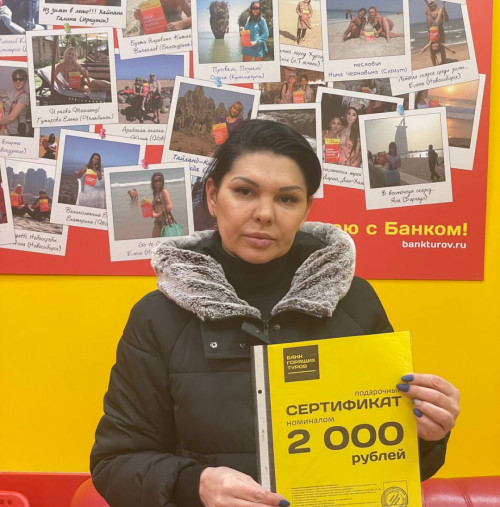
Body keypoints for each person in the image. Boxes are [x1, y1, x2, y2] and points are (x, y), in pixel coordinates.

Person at [90, 119, 459, 507]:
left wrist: (427, 434)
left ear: (306, 209)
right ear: (212, 196)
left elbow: (395, 465)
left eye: (286, 199)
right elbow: (115, 463)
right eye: (244, 191)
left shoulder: (354, 301)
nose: (265, 213)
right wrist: (195, 484)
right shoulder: (158, 317)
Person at [1, 69, 30, 137]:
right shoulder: (12, 92)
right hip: (8, 129)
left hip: (17, 132)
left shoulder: (24, 97)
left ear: (25, 80)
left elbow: (11, 117)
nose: (18, 81)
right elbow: (6, 107)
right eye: (15, 79)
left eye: (20, 79)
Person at [150, 172, 174, 237]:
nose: (158, 183)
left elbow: (169, 207)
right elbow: (155, 206)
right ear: (153, 183)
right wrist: (149, 209)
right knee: (154, 240)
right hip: (157, 221)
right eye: (156, 181)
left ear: (162, 181)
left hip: (166, 221)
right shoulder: (155, 193)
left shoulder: (164, 191)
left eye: (160, 180)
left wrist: (157, 215)